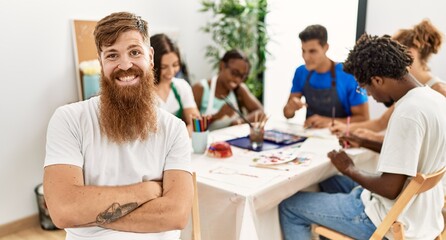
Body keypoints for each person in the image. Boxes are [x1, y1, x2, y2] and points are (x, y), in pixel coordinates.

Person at [279, 34, 446, 239]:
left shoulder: (407, 113)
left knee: (289, 206)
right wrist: (364, 141)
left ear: (377, 80)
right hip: (422, 214)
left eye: (364, 87)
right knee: (328, 180)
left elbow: (389, 188)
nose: (369, 95)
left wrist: (349, 169)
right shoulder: (435, 98)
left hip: (389, 219)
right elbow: (414, 158)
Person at [43, 12, 193, 240]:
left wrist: (89, 214)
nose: (125, 65)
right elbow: (63, 211)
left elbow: (176, 215)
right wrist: (146, 191)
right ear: (101, 62)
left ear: (150, 57)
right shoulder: (69, 119)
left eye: (134, 52)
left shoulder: (175, 129)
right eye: (112, 55)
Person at [330, 19, 446, 147]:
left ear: (411, 52)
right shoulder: (407, 92)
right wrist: (345, 128)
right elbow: (380, 123)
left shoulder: (439, 91)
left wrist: (373, 138)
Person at [283, 24, 369, 128]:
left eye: (312, 51)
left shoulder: (348, 74)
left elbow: (364, 119)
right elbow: (287, 115)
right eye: (303, 50)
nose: (306, 57)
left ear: (326, 47)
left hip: (340, 138)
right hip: (310, 136)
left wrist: (329, 122)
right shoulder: (301, 72)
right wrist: (290, 108)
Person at [192, 49, 264, 131]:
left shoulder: (240, 89)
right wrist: (217, 116)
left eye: (242, 76)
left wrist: (240, 121)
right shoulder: (200, 89)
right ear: (222, 66)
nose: (237, 80)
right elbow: (190, 125)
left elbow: (260, 112)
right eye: (234, 73)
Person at [151, 33, 200, 135]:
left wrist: (177, 139)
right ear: (151, 64)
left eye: (175, 65)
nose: (171, 72)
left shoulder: (181, 87)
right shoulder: (143, 93)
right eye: (163, 67)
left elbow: (196, 124)